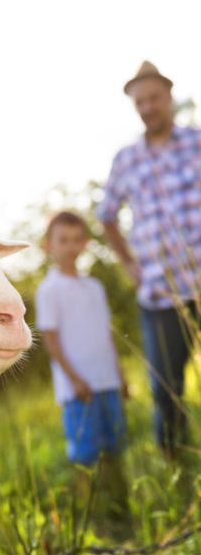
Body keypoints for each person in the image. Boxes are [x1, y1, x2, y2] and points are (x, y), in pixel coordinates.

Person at [96, 61, 201, 458]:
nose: (148, 107)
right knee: (165, 387)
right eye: (140, 101)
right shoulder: (126, 159)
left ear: (169, 97)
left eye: (154, 98)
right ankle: (177, 461)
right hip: (159, 293)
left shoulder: (197, 141)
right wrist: (129, 266)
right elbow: (106, 216)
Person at [35, 211, 128, 507]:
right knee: (85, 453)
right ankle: (90, 509)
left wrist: (121, 374)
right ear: (48, 245)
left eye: (77, 240)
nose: (70, 247)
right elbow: (51, 341)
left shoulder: (95, 288)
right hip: (78, 388)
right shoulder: (48, 290)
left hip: (108, 381)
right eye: (63, 240)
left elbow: (107, 334)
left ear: (86, 243)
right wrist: (75, 379)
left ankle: (120, 500)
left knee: (116, 444)